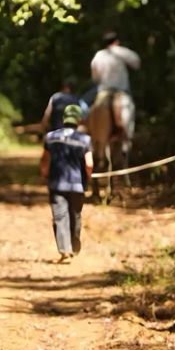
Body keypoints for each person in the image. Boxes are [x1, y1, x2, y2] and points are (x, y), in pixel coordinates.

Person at [40, 104, 93, 261]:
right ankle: (74, 247)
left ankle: (64, 249)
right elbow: (89, 164)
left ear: (64, 119)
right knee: (75, 215)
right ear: (79, 120)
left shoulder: (50, 137)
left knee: (59, 215)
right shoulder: (85, 139)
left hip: (56, 184)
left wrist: (45, 174)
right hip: (77, 185)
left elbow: (44, 160)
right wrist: (87, 178)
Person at [89, 31, 140, 100]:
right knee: (130, 108)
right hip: (121, 91)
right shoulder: (123, 51)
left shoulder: (98, 55)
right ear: (117, 41)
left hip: (104, 91)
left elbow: (95, 77)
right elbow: (137, 64)